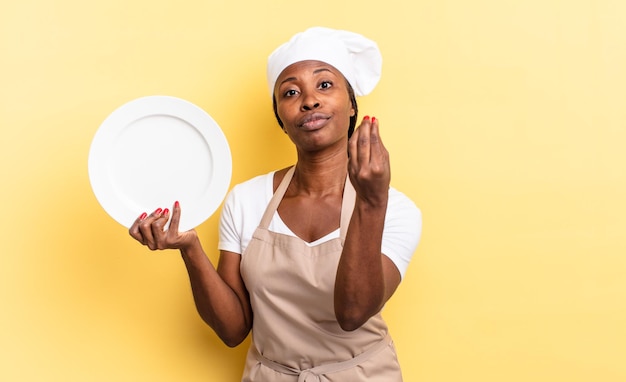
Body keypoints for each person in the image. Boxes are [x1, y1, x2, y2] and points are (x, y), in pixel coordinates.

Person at [129, 26, 422, 381]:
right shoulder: (246, 200)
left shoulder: (396, 209)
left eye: (325, 85)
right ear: (281, 120)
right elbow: (233, 330)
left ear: (352, 107)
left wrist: (371, 203)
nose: (309, 100)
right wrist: (189, 248)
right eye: (291, 92)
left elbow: (353, 311)